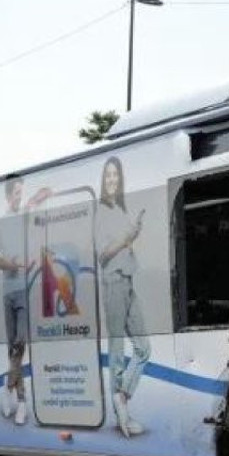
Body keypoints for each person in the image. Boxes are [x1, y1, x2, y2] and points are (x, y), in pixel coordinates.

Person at [97, 157, 150, 438]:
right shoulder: (101, 211)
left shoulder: (120, 208)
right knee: (117, 349)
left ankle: (122, 397)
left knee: (144, 348)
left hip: (128, 280)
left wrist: (134, 232)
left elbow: (123, 243)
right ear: (103, 180)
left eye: (116, 175)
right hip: (113, 283)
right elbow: (103, 254)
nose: (112, 180)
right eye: (108, 176)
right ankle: (122, 411)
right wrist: (127, 235)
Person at [0, 175, 30, 424]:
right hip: (8, 291)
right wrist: (13, 264)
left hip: (25, 291)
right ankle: (22, 402)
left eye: (21, 192)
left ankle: (8, 390)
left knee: (19, 344)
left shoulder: (25, 219)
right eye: (16, 193)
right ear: (8, 196)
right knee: (12, 349)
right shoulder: (1, 224)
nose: (20, 196)